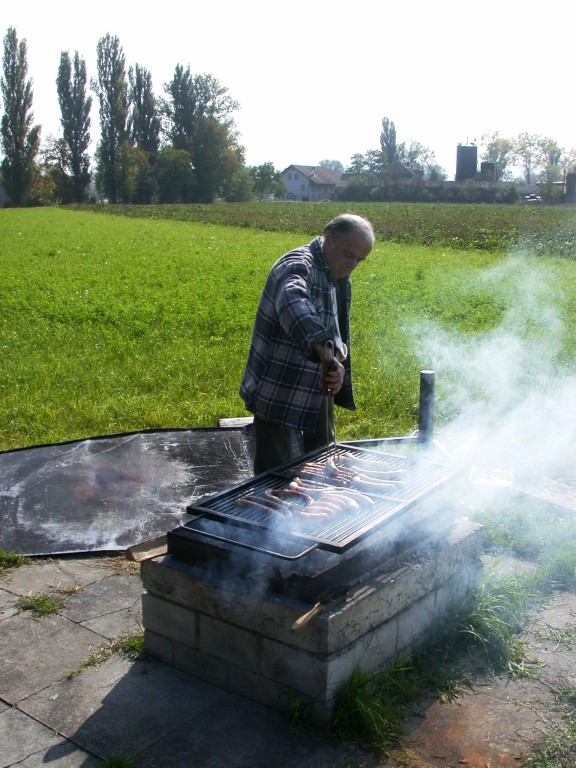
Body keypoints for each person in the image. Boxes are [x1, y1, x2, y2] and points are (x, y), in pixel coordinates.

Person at [240, 213, 375, 474]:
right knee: (275, 478)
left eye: (360, 259)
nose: (353, 264)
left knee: (324, 469)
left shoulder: (334, 271)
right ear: (329, 238)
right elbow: (294, 303)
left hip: (317, 388)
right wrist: (325, 354)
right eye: (349, 254)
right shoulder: (298, 264)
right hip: (280, 389)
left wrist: (336, 361)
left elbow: (333, 327)